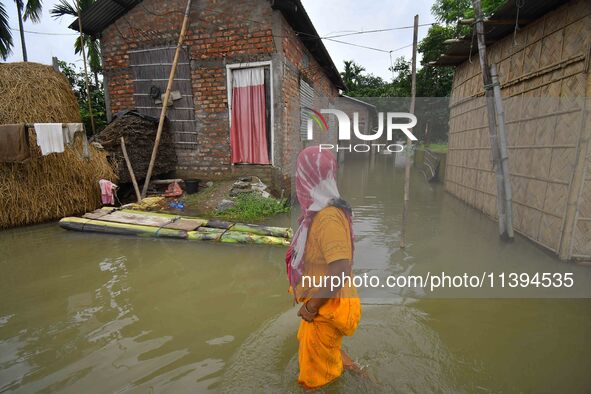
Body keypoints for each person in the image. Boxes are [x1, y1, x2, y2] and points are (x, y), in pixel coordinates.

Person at [285, 146, 362, 389]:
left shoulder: (327, 218)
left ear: (306, 178)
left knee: (314, 383)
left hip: (324, 307)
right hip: (326, 304)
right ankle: (362, 374)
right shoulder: (323, 212)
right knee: (326, 349)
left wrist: (310, 306)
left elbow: (340, 269)